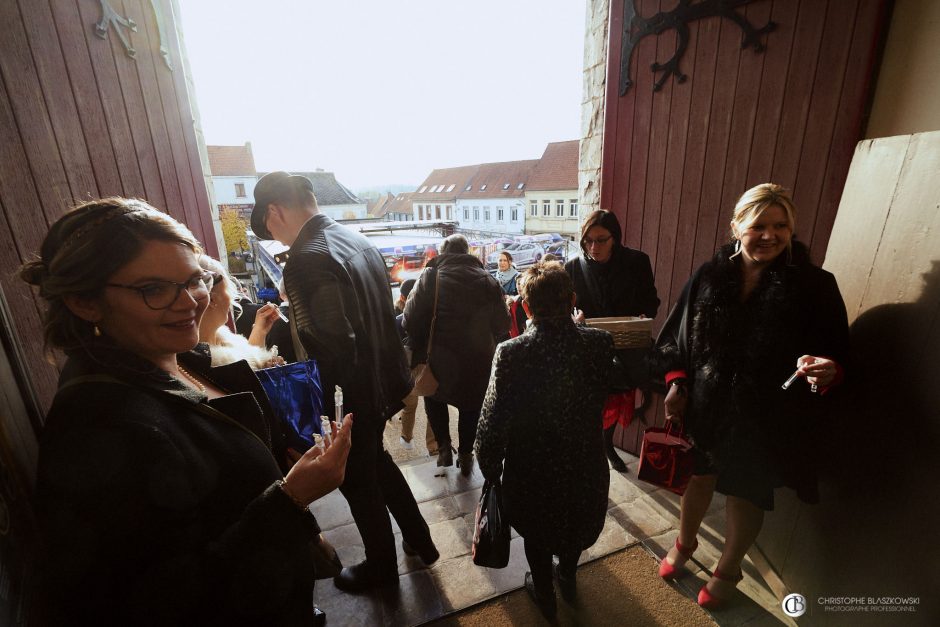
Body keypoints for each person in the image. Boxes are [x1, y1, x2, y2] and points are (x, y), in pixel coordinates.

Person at [21, 198, 352, 626]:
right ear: (85, 302)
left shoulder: (174, 358)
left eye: (195, 279)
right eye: (154, 289)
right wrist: (291, 498)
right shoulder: (103, 426)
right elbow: (162, 602)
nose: (192, 302)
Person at [653, 184, 849, 609]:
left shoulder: (814, 286)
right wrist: (677, 383)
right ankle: (684, 545)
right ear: (736, 226)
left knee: (746, 490)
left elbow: (836, 351)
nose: (770, 235)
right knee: (697, 478)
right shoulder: (708, 276)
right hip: (706, 405)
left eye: (781, 226)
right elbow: (675, 338)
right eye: (758, 225)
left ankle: (729, 567)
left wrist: (828, 369)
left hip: (766, 414)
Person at [251, 172, 438, 592]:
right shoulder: (354, 240)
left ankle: (382, 571)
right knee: (381, 467)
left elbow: (332, 345)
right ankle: (422, 542)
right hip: (382, 382)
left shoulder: (306, 259)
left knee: (358, 481)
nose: (277, 241)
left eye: (270, 230)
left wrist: (326, 418)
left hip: (351, 394)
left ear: (274, 212)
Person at [475, 262, 613, 620]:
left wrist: (489, 465)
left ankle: (544, 592)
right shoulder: (599, 343)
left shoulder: (512, 353)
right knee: (576, 519)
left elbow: (493, 417)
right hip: (586, 460)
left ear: (524, 307)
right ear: (572, 300)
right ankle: (567, 576)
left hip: (532, 468)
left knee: (537, 530)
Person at [403, 234, 510, 475]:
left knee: (433, 395)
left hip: (439, 358)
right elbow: (503, 324)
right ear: (467, 253)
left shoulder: (430, 277)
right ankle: (465, 453)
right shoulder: (487, 280)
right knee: (471, 406)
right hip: (478, 361)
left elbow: (409, 321)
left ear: (442, 253)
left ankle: (443, 447)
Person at [565, 210, 660, 472]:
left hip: (626, 347)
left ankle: (607, 445)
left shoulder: (637, 262)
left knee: (617, 400)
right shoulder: (572, 267)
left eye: (601, 240)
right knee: (592, 403)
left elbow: (651, 301)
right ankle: (593, 449)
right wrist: (574, 318)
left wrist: (642, 316)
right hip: (588, 350)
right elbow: (564, 308)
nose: (593, 247)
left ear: (615, 238)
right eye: (588, 240)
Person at [198, 254, 283, 369]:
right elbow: (248, 369)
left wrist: (259, 331)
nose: (232, 299)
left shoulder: (228, 342)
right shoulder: (210, 364)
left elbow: (250, 361)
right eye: (227, 290)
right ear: (212, 298)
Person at [394, 279, 438, 453]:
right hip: (427, 364)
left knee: (410, 405)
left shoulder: (397, 320)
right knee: (430, 405)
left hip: (408, 368)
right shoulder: (433, 317)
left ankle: (408, 438)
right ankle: (432, 444)